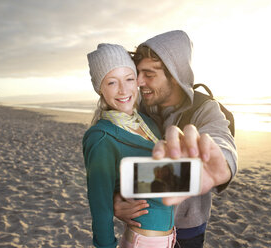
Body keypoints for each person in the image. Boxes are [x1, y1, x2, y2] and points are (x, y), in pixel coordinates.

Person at [113, 30, 238, 247]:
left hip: (187, 226)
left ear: (175, 75)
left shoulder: (205, 109)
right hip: (144, 223)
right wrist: (116, 198)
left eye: (149, 75)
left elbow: (221, 138)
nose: (139, 82)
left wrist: (220, 161)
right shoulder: (137, 109)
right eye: (138, 73)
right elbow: (117, 163)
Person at [83, 43, 177, 248]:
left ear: (137, 81)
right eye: (112, 83)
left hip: (170, 239)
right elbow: (100, 206)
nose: (123, 90)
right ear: (100, 88)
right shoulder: (101, 138)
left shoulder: (149, 123)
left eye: (129, 79)